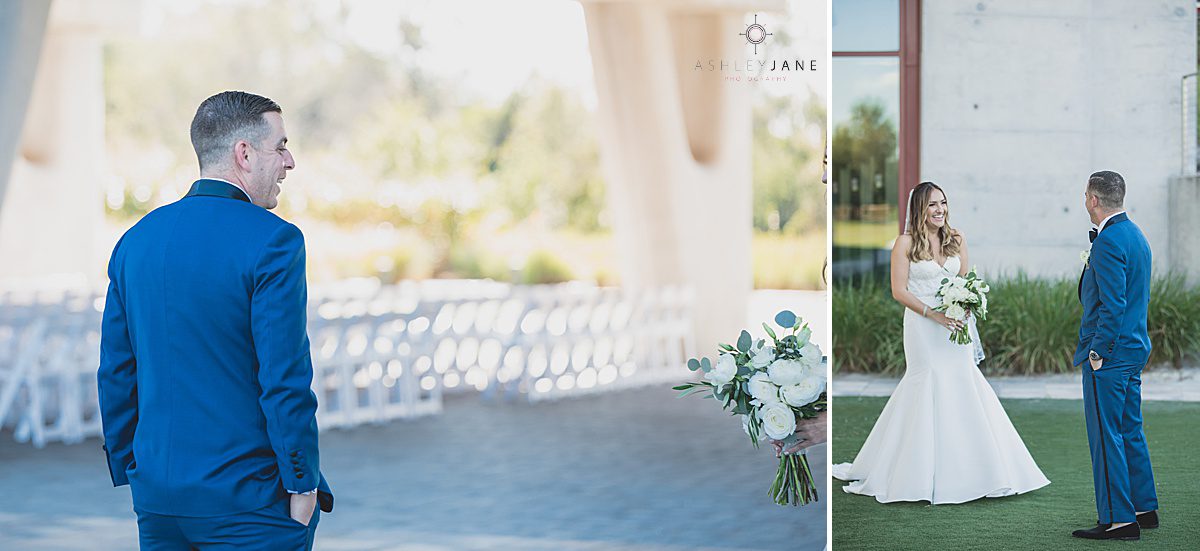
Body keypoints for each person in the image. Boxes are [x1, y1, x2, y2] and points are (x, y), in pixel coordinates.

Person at [97, 91, 332, 550]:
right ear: (244, 153)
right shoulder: (275, 241)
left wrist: (134, 468)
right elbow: (283, 378)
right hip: (250, 503)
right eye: (280, 146)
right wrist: (303, 485)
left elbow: (115, 372)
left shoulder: (136, 240)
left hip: (159, 498)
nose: (290, 161)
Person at [831, 181, 1049, 504]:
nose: (940, 210)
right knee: (926, 382)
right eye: (933, 204)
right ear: (919, 207)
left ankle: (978, 470)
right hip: (922, 326)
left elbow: (964, 281)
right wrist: (932, 314)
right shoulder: (904, 244)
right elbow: (899, 290)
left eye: (943, 203)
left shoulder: (956, 238)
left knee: (962, 381)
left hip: (954, 325)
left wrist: (964, 305)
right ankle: (914, 473)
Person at [1070, 170, 1157, 541]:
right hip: (1134, 348)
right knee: (1129, 429)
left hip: (1111, 353)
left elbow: (1113, 304)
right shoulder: (1136, 235)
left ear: (1092, 199)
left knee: (1107, 436)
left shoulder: (1107, 241)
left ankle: (1120, 520)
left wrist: (1097, 351)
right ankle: (1143, 508)